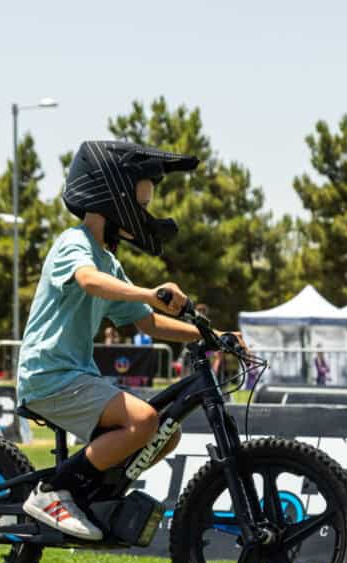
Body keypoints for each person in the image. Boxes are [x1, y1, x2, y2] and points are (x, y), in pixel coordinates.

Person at [17, 140, 243, 540]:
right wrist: (146, 291)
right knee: (143, 421)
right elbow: (88, 281)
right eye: (141, 200)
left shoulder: (109, 261)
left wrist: (214, 336)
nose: (145, 211)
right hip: (49, 374)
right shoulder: (75, 243)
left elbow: (150, 324)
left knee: (164, 433)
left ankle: (88, 495)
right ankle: (54, 491)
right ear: (112, 193)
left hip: (75, 376)